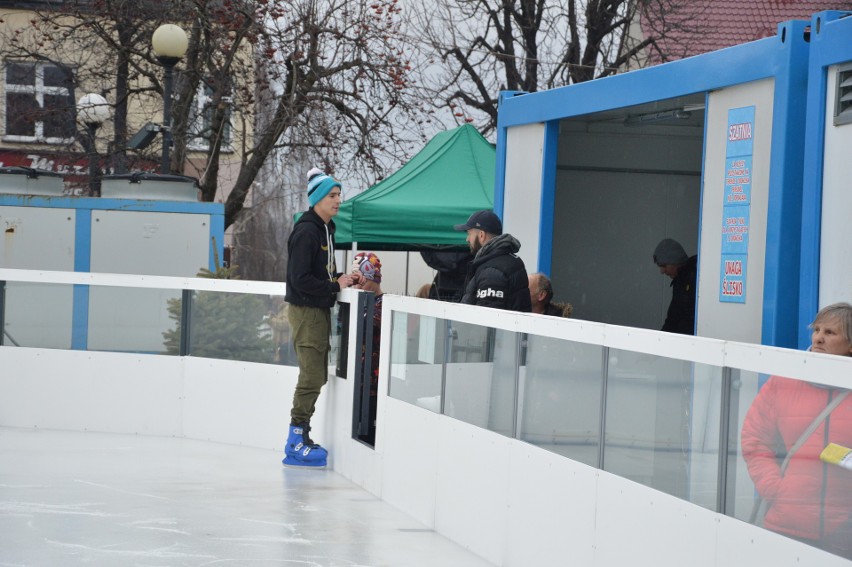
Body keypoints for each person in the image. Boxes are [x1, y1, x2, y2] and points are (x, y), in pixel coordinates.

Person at [741, 302, 852, 559]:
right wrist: (776, 490)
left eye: (830, 333)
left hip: (845, 529)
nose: (819, 338)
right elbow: (754, 440)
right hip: (788, 519)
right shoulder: (785, 380)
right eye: (817, 330)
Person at [283, 168, 360, 468]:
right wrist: (333, 286)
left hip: (317, 310)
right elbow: (299, 278)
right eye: (332, 195)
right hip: (306, 311)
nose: (338, 200)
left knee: (316, 375)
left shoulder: (327, 228)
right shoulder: (307, 231)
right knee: (312, 375)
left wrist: (341, 278)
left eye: (339, 194)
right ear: (317, 199)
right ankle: (295, 439)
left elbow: (319, 273)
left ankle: (300, 435)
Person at [453, 209, 531, 312]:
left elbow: (486, 320)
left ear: (481, 235)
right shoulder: (510, 260)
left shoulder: (491, 271)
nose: (467, 239)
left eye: (469, 233)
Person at [351, 252, 384, 445]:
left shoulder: (382, 305)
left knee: (368, 434)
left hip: (374, 384)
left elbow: (365, 326)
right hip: (357, 380)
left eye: (363, 279)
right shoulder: (358, 302)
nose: (359, 284)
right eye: (356, 279)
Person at [652, 238, 697, 334]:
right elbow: (673, 319)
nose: (662, 271)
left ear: (675, 261)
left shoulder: (693, 278)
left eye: (663, 265)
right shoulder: (681, 280)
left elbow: (675, 320)